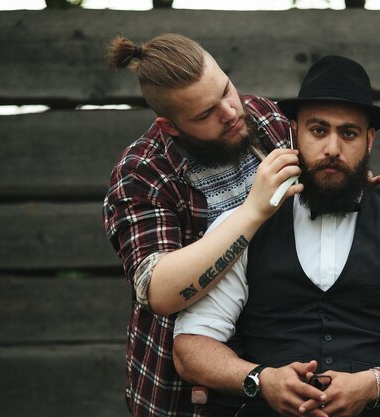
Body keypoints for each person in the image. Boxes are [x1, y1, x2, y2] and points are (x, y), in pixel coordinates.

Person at [172, 55, 380, 417]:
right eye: (318, 131)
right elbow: (191, 348)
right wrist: (260, 379)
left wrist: (374, 384)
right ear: (295, 132)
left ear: (369, 140)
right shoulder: (243, 228)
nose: (333, 148)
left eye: (348, 133)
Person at [103, 33, 304, 417]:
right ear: (170, 126)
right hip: (189, 391)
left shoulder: (265, 118)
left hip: (284, 362)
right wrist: (253, 211)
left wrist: (339, 185)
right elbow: (158, 289)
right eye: (204, 114)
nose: (230, 112)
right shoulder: (142, 172)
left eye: (227, 90)